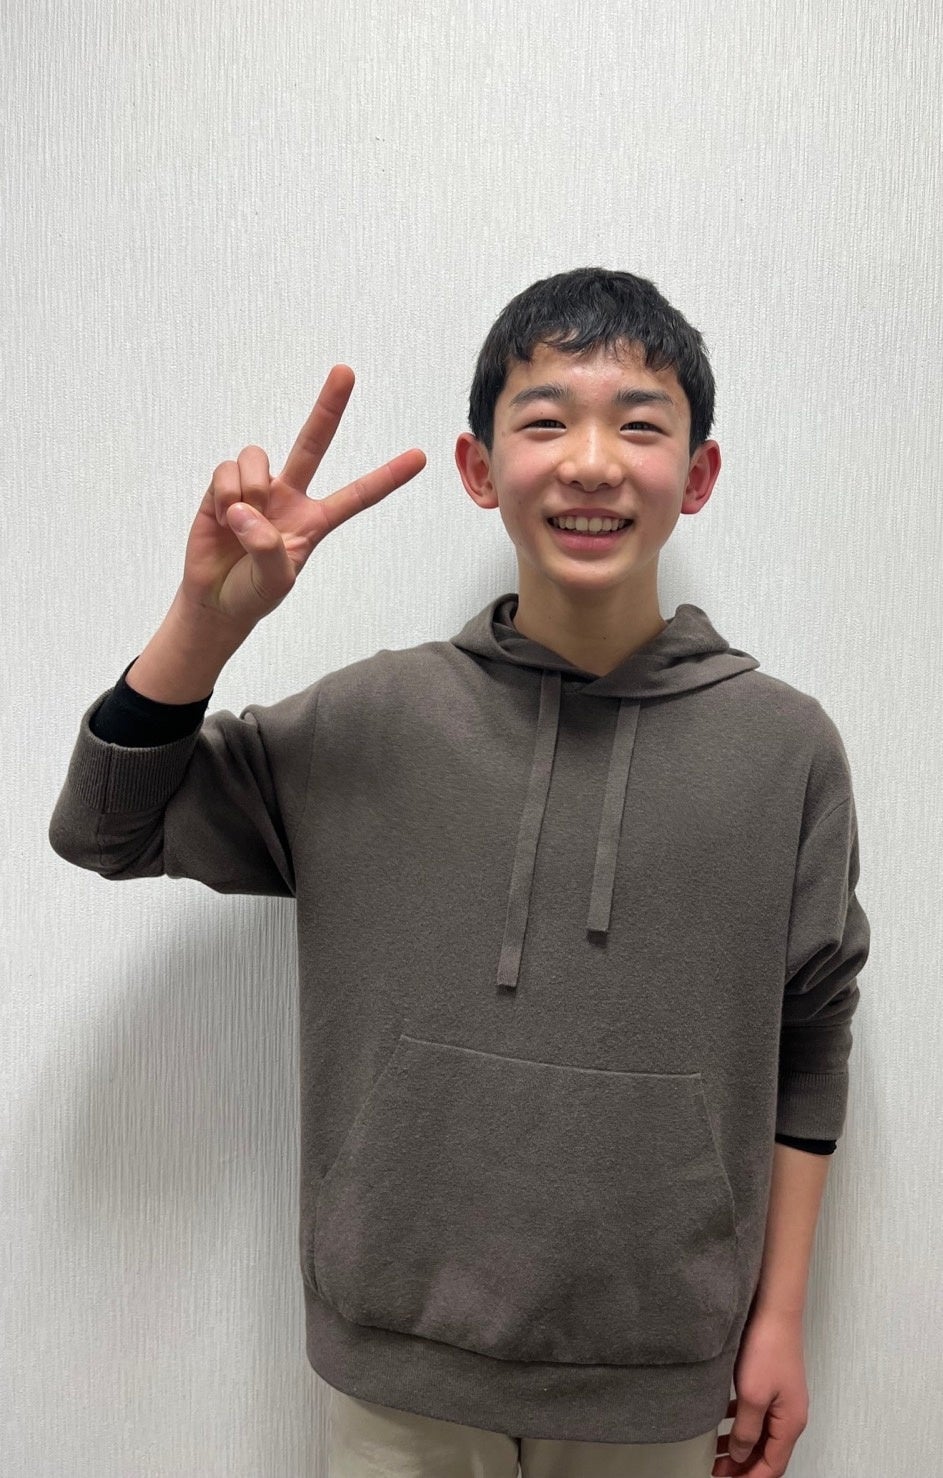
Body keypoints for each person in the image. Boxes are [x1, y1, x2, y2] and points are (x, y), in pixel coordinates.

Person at [49, 268, 870, 1478]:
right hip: (394, 1358)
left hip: (658, 1363)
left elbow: (811, 1027)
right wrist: (206, 622)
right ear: (480, 468)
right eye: (545, 419)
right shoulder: (372, 719)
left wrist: (781, 1317)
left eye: (638, 424)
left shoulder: (783, 749)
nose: (590, 461)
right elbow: (106, 827)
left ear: (696, 475)